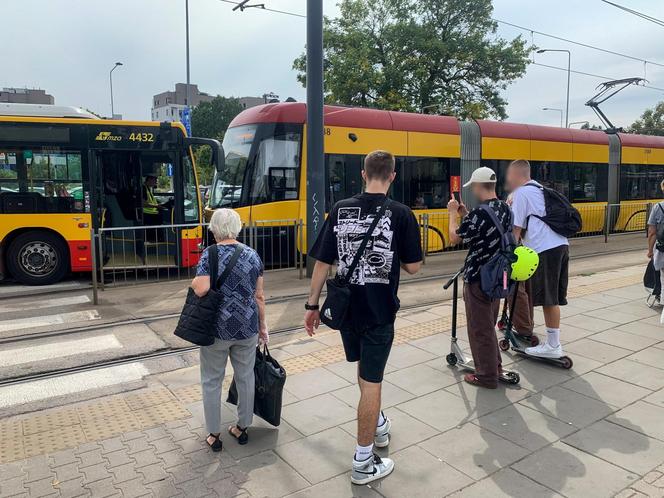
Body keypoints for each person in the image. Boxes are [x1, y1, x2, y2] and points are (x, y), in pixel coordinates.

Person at [303, 150, 422, 485]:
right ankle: (363, 462)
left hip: (345, 309)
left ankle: (379, 424)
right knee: (372, 383)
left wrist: (311, 307)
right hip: (379, 310)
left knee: (365, 371)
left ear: (362, 173)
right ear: (393, 176)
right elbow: (413, 267)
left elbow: (323, 263)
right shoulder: (401, 213)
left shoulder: (340, 209)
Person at [190, 208, 268, 453]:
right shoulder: (253, 255)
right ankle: (242, 427)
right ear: (238, 227)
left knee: (212, 380)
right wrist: (263, 326)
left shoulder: (209, 254)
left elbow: (201, 289)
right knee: (246, 376)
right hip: (246, 326)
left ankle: (214, 434)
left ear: (214, 229)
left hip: (216, 329)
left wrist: (194, 281)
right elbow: (260, 296)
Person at [447, 167, 511, 389]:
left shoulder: (480, 213)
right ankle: (496, 367)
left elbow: (455, 238)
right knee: (488, 324)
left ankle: (486, 376)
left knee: (479, 328)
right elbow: (485, 232)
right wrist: (466, 214)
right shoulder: (504, 208)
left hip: (478, 278)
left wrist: (452, 214)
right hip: (500, 276)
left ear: (477, 186)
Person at [506, 159, 569, 358]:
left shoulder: (522, 193)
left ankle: (553, 345)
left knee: (548, 299)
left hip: (545, 249)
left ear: (517, 175)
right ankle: (553, 343)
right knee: (553, 298)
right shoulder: (541, 189)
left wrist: (508, 255)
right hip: (561, 245)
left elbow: (515, 231)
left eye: (509, 176)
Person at [646, 180, 664, 317]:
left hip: (662, 249)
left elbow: (652, 232)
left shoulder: (658, 207)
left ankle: (662, 300)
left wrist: (650, 250)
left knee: (663, 275)